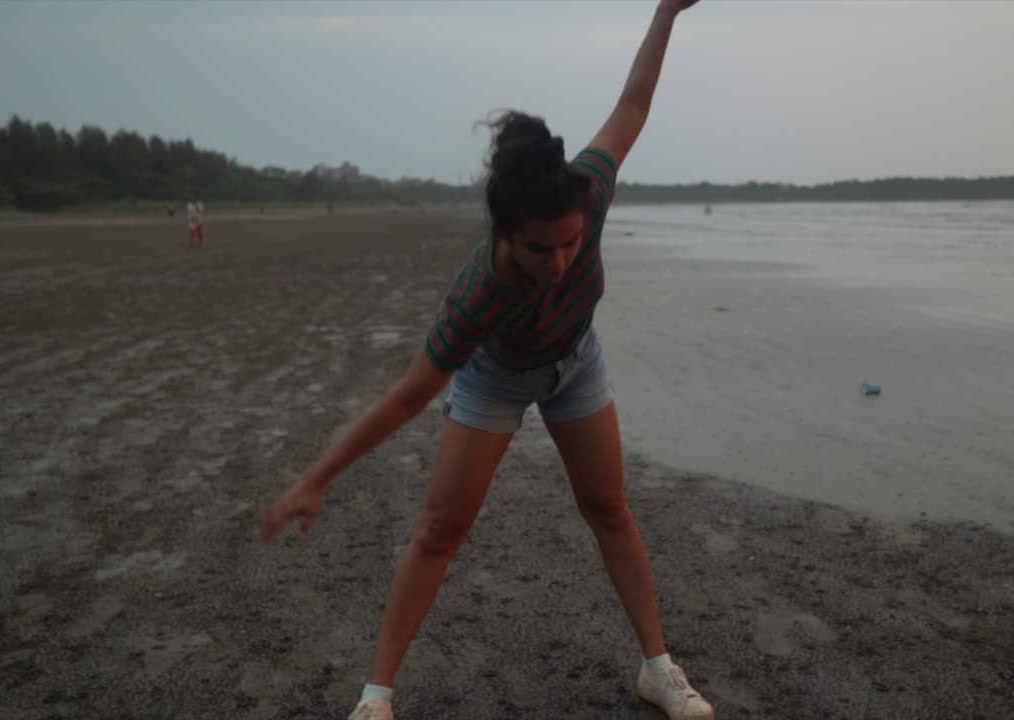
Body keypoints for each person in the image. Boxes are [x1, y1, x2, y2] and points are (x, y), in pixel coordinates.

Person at [259, 2, 712, 719]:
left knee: (609, 508)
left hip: (576, 363)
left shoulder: (586, 189)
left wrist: (666, 9)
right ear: (505, 232)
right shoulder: (477, 296)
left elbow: (633, 101)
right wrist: (315, 478)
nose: (559, 262)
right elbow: (407, 399)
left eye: (570, 243)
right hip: (495, 377)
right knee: (442, 530)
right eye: (540, 248)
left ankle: (658, 669)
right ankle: (376, 698)